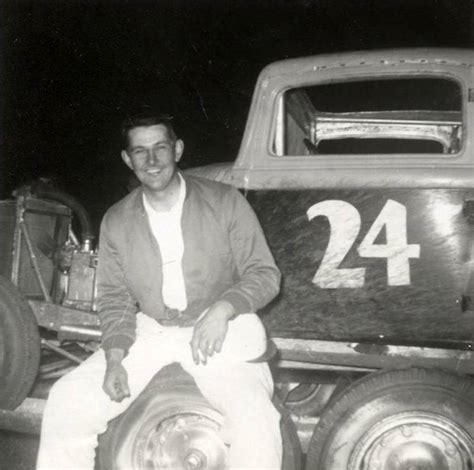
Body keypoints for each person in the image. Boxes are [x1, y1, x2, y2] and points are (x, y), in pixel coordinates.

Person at [36, 111, 283, 469]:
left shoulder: (225, 200)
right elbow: (115, 298)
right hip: (152, 329)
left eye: (160, 148)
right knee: (67, 400)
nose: (151, 161)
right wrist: (116, 358)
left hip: (221, 327)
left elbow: (264, 273)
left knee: (256, 419)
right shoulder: (117, 219)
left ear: (177, 149)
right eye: (140, 151)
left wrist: (222, 310)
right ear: (127, 159)